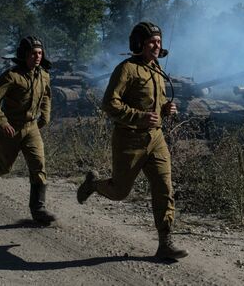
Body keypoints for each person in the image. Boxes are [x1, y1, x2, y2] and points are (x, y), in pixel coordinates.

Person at [77, 21, 188, 260]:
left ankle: (165, 243)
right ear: (139, 44)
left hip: (156, 139)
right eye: (151, 41)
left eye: (159, 41)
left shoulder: (157, 69)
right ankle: (94, 184)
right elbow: (110, 103)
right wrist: (138, 117)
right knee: (119, 192)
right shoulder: (126, 69)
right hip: (129, 139)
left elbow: (154, 103)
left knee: (164, 188)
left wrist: (166, 108)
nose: (156, 46)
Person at [0, 36, 56, 224]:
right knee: (3, 167)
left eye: (40, 53)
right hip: (11, 128)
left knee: (39, 166)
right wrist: (2, 122)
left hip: (31, 127)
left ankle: (38, 210)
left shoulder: (44, 75)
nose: (37, 57)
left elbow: (46, 96)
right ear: (24, 55)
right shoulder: (11, 76)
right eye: (33, 53)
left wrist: (45, 116)